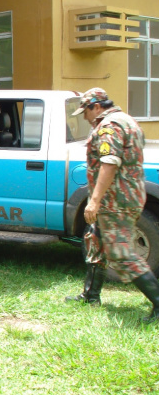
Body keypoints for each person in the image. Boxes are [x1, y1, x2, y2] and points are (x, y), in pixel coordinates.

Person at [66, 87, 159, 322]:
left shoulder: (110, 126)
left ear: (96, 107)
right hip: (124, 196)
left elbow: (110, 163)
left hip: (116, 200)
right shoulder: (127, 121)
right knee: (95, 240)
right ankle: (90, 295)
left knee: (121, 253)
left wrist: (94, 201)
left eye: (85, 112)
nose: (85, 118)